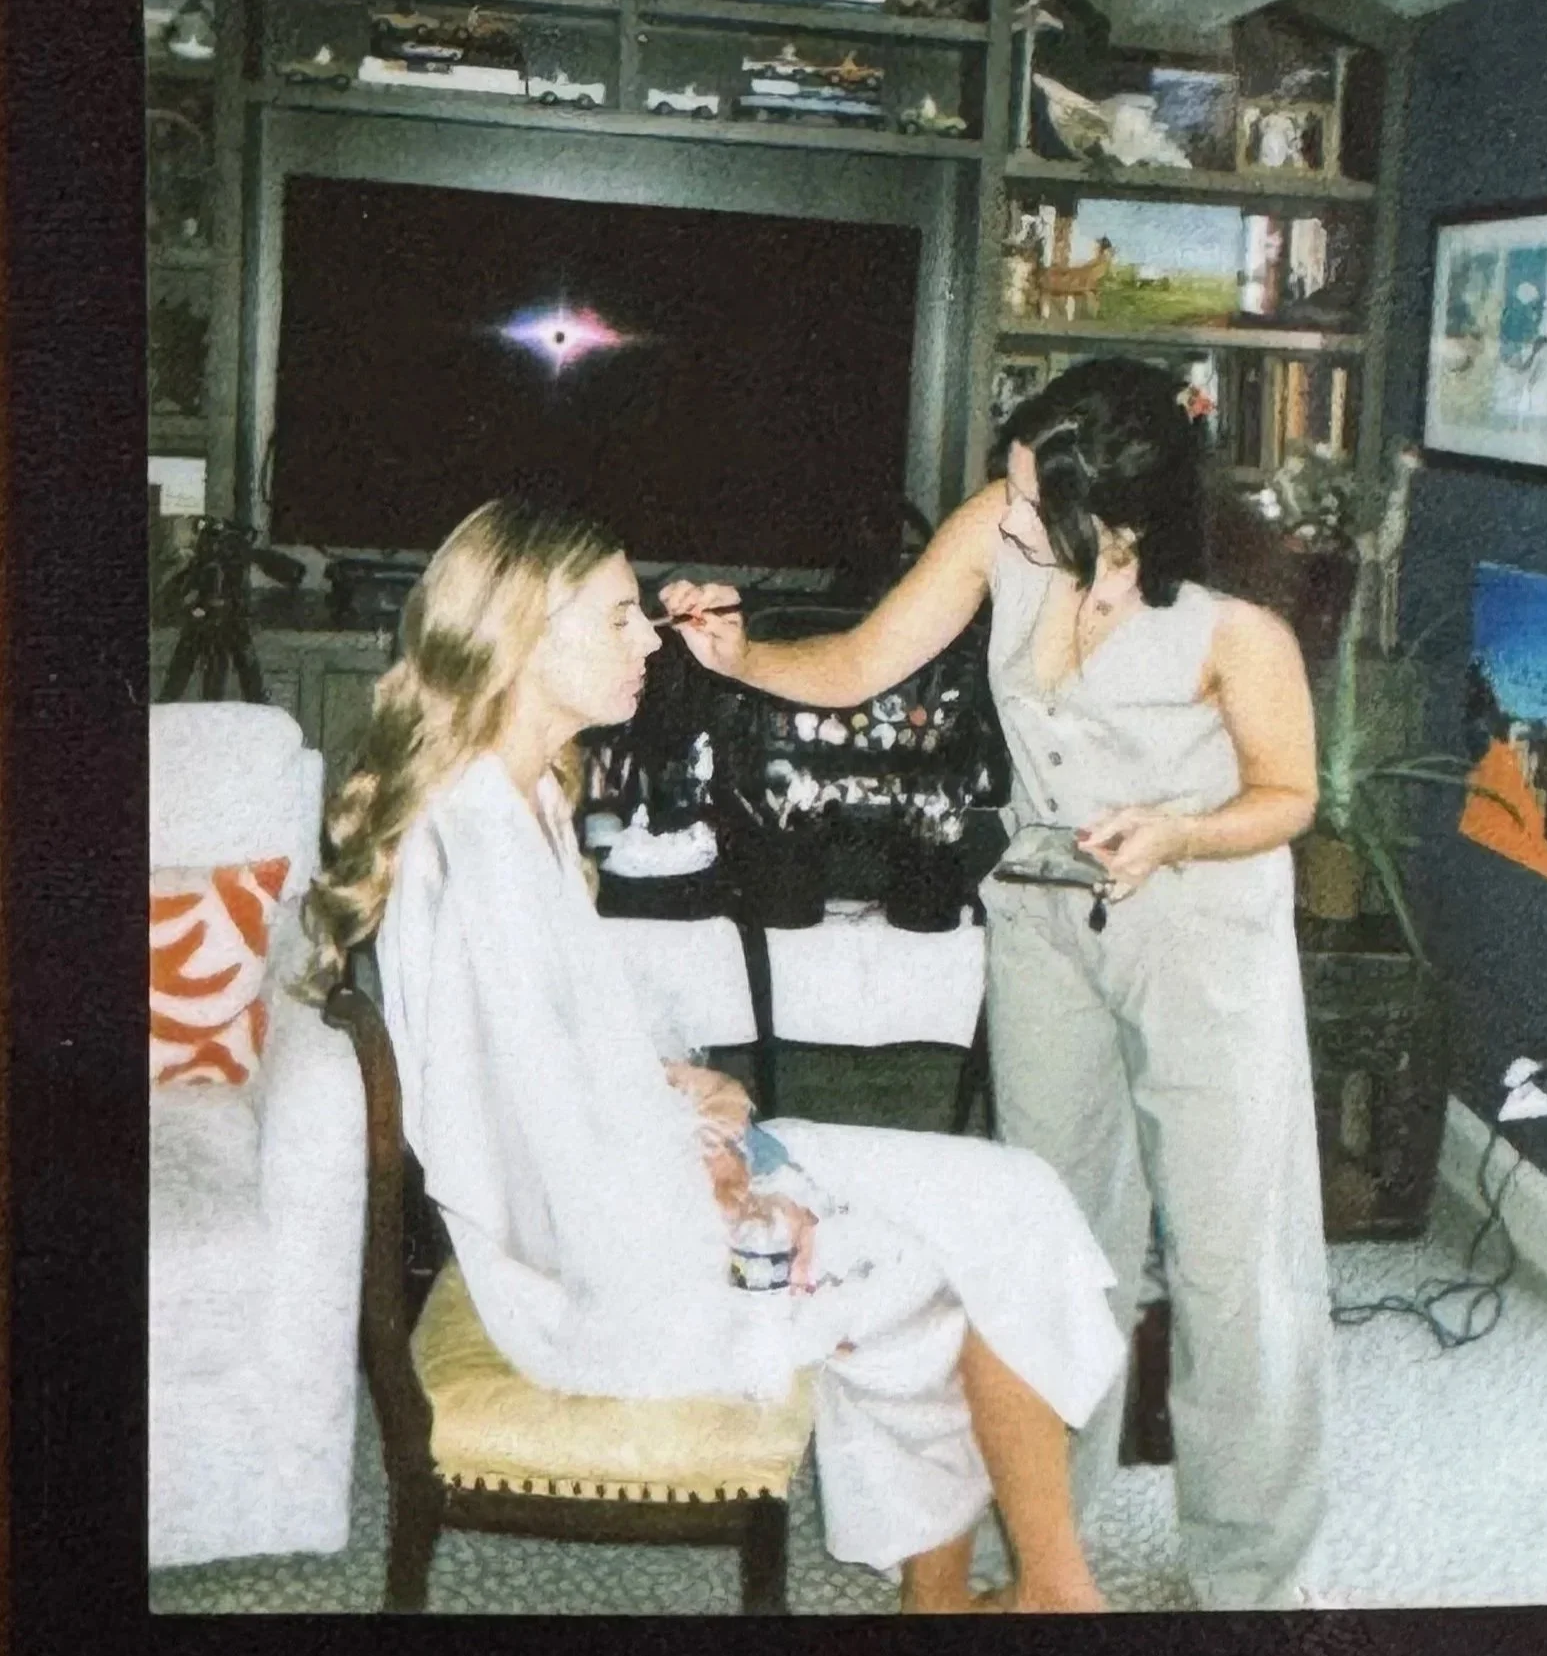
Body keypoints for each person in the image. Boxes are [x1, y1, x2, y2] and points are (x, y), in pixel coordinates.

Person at [299, 495, 1123, 1614]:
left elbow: (551, 1061)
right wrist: (721, 1199)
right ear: (521, 638)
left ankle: (1006, 1592)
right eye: (617, 618)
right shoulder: (478, 841)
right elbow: (523, 1148)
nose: (649, 641)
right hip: (606, 1277)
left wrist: (675, 1093)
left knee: (1010, 1189)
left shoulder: (525, 790)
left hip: (637, 1189)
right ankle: (1036, 1597)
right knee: (951, 1263)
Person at [663, 357, 1330, 1609]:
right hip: (1042, 920)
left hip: (1198, 928)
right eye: (1009, 489)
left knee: (1231, 1256)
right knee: (1053, 1225)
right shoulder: (1002, 522)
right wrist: (741, 656)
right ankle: (1049, 1532)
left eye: (1035, 504)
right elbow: (859, 660)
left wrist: (1179, 833)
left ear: (1122, 520)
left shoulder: (1236, 626)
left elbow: (1289, 796)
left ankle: (1253, 1573)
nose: (1007, 518)